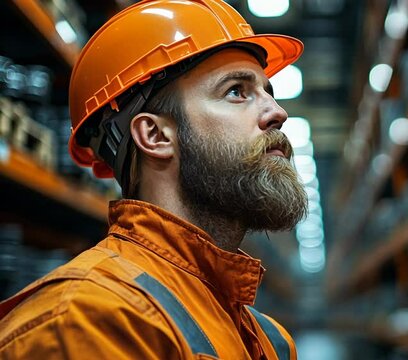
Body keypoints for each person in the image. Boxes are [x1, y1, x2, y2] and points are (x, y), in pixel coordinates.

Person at [0, 0, 308, 359]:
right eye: (237, 91)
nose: (278, 112)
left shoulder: (269, 340)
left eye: (268, 92)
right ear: (155, 136)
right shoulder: (86, 322)